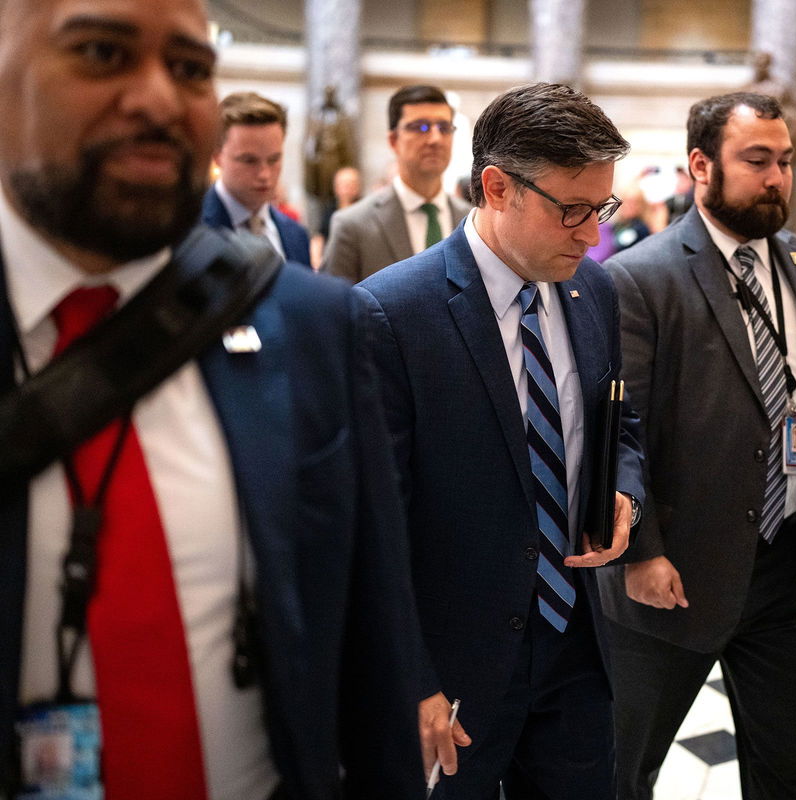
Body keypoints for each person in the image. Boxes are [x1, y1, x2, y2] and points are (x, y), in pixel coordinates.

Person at [0, 0, 441, 798]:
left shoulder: (311, 329)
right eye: (101, 51)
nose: (161, 99)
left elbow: (374, 658)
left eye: (191, 68)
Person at [355, 82, 646, 799]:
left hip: (576, 641)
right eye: (571, 210)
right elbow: (372, 523)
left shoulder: (594, 292)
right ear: (496, 187)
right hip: (457, 665)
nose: (591, 233)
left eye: (600, 209)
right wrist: (411, 679)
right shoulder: (393, 313)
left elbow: (621, 420)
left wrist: (624, 494)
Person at [598, 92, 796, 800]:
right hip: (674, 574)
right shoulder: (640, 276)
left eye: (784, 161)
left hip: (780, 561)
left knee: (785, 768)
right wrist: (640, 550)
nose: (776, 177)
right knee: (626, 767)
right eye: (757, 161)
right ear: (702, 166)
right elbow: (616, 431)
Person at [323, 85, 470, 281]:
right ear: (393, 140)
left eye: (444, 128)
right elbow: (334, 308)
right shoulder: (353, 226)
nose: (435, 139)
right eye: (421, 127)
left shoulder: (470, 221)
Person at [202, 92, 311, 268]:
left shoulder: (296, 235)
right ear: (217, 156)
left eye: (274, 159)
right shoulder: (188, 230)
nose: (264, 175)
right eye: (249, 161)